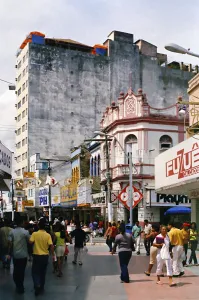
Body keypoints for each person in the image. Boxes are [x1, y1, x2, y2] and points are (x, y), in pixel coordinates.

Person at [30, 218, 54, 296]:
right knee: (43, 272)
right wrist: (52, 254)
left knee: (35, 272)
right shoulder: (48, 235)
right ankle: (42, 287)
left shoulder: (34, 234)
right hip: (45, 256)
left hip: (36, 256)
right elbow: (51, 246)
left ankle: (37, 284)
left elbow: (30, 242)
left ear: (38, 226)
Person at [8, 216, 30, 294]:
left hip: (15, 255)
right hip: (23, 255)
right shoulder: (25, 232)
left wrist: (9, 253)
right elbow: (29, 241)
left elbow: (10, 244)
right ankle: (20, 285)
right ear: (22, 223)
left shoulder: (11, 232)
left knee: (16, 270)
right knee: (22, 271)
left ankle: (18, 285)